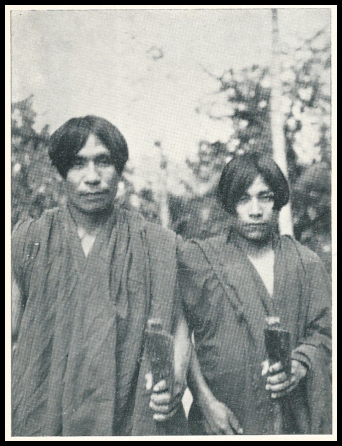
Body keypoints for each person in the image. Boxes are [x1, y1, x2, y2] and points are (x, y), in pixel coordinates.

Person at [11, 115, 190, 436]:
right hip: (48, 412)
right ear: (62, 171)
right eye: (78, 164)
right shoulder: (29, 241)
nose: (92, 177)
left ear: (119, 169)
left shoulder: (155, 244)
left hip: (132, 409)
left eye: (103, 162)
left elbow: (178, 323)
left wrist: (177, 375)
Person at [177, 152, 332, 435]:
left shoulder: (305, 263)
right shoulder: (200, 259)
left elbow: (323, 333)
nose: (255, 210)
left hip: (292, 422)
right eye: (243, 199)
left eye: (265, 197)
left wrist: (300, 363)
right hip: (223, 418)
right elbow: (179, 333)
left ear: (279, 200)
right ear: (229, 203)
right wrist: (205, 401)